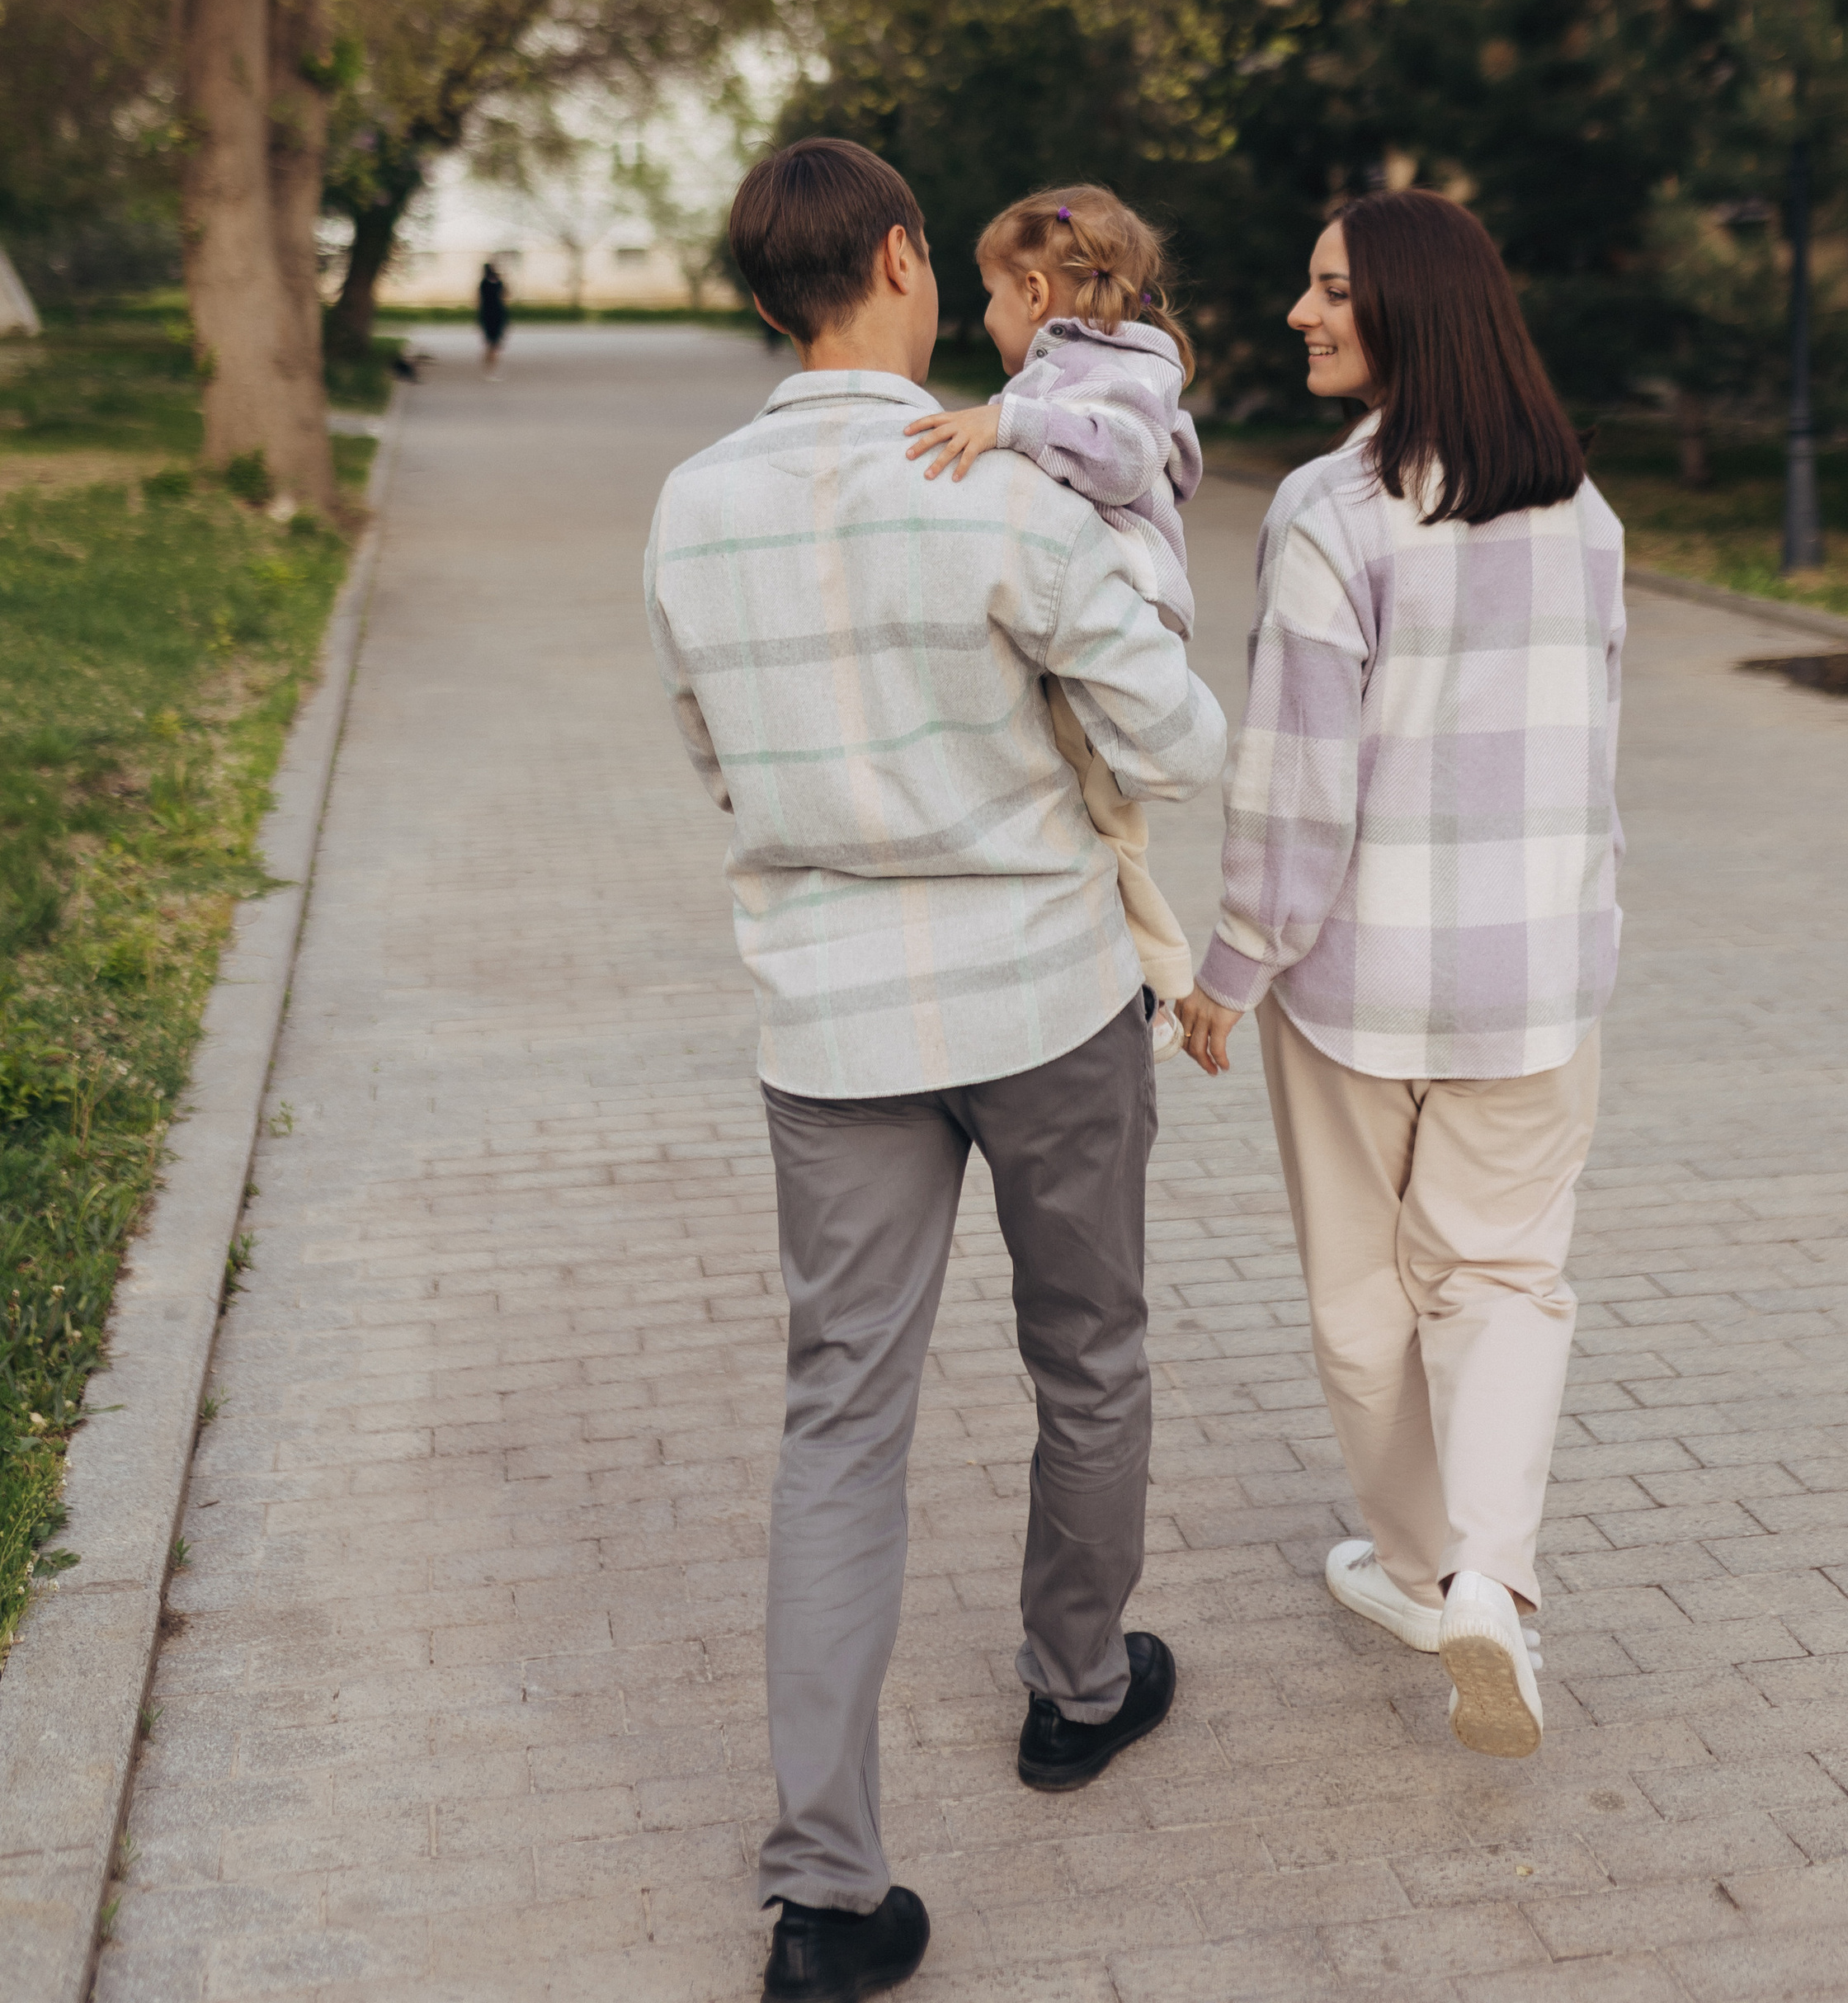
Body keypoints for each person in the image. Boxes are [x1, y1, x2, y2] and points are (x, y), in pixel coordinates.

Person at [644, 139, 1227, 2001]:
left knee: (837, 1429)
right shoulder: (1003, 493)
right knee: (1092, 1353)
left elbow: (714, 756)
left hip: (826, 1021)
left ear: (759, 296)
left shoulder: (688, 507)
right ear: (903, 254)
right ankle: (1076, 1691)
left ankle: (825, 1897)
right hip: (1043, 995)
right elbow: (1184, 739)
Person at [1176, 190, 1624, 1761]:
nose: (1302, 314)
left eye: (1332, 292)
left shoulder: (1332, 512)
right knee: (1503, 1280)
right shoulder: (1585, 513)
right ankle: (1494, 1581)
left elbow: (1294, 779)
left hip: (1359, 990)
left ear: (1414, 312)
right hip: (1536, 988)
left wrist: (1231, 966)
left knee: (1370, 1302)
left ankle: (1430, 1568)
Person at [903, 184, 1201, 1056]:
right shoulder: (1077, 365)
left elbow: (1123, 458)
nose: (984, 316)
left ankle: (1159, 988)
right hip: (1088, 615)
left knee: (1103, 823)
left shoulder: (1113, 367)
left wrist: (1011, 423)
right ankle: (1141, 980)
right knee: (1086, 812)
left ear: (1034, 295)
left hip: (1121, 616)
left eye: (992, 294)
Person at [476, 258, 509, 379]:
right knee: (493, 344)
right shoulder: (487, 284)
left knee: (493, 344)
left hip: (494, 315)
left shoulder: (488, 283)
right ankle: (490, 370)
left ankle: (489, 369)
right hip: (491, 315)